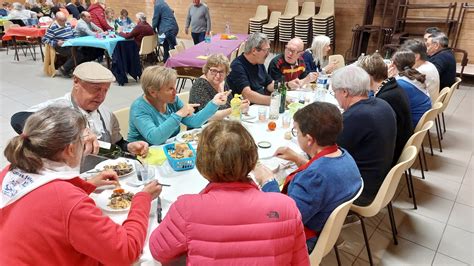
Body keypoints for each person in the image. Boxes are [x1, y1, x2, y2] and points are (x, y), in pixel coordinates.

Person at [0, 106, 162, 265]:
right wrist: (143, 199)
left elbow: (42, 207)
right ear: (71, 149)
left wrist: (86, 185)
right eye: (83, 142)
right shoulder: (68, 202)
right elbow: (126, 252)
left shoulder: (9, 171)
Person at [149, 120, 310, 264]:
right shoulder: (286, 206)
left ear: (202, 164)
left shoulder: (186, 208)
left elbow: (158, 251)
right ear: (252, 159)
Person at [254, 102, 363, 253]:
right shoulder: (344, 156)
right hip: (323, 226)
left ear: (309, 139)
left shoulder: (315, 178)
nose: (296, 135)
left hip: (305, 240)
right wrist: (299, 159)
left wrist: (267, 180)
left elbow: (282, 220)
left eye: (297, 132)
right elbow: (325, 173)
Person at [10, 61, 148, 157]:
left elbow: (116, 144)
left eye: (105, 90)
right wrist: (70, 130)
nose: (101, 96)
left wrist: (128, 147)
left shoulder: (106, 113)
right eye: (96, 89)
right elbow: (17, 119)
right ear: (76, 82)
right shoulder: (58, 107)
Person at [332, 65, 396, 206]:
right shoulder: (382, 104)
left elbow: (327, 154)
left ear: (344, 92)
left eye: (334, 92)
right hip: (380, 180)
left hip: (362, 189)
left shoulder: (356, 117)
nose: (335, 97)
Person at [128, 66, 229, 145]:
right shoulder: (139, 108)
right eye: (170, 88)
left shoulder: (172, 100)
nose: (175, 92)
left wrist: (214, 103)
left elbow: (194, 122)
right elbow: (155, 138)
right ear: (153, 92)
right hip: (144, 155)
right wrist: (179, 114)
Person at [358, 53, 414, 165]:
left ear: (368, 77)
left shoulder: (386, 98)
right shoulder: (392, 86)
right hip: (396, 145)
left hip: (390, 155)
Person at [189, 54, 250, 120]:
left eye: (221, 72)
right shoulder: (200, 85)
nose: (218, 75)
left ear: (226, 73)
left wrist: (241, 105)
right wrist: (235, 109)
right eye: (214, 71)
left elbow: (230, 106)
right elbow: (208, 116)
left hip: (223, 123)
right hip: (203, 127)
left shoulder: (222, 82)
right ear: (207, 70)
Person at [226, 32, 275, 105]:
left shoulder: (258, 62)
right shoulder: (237, 66)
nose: (268, 54)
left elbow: (269, 84)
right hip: (245, 109)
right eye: (265, 50)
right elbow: (247, 95)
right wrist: (274, 101)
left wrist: (286, 86)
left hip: (258, 105)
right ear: (254, 51)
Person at [389, 49, 432, 127]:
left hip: (412, 123)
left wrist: (387, 80)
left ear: (393, 64)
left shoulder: (400, 83)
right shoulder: (415, 75)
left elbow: (380, 99)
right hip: (420, 119)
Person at [402, 39, 440, 103]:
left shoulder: (420, 71)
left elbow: (401, 89)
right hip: (430, 105)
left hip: (423, 108)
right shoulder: (429, 64)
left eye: (406, 55)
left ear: (416, 56)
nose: (404, 58)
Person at [42, 11, 80, 76]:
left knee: (84, 49)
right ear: (56, 19)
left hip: (71, 43)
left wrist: (76, 37)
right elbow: (44, 40)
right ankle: (64, 69)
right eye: (61, 20)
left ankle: (69, 68)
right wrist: (56, 43)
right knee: (76, 53)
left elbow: (73, 32)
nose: (64, 22)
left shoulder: (67, 23)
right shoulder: (53, 27)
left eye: (65, 20)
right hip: (60, 46)